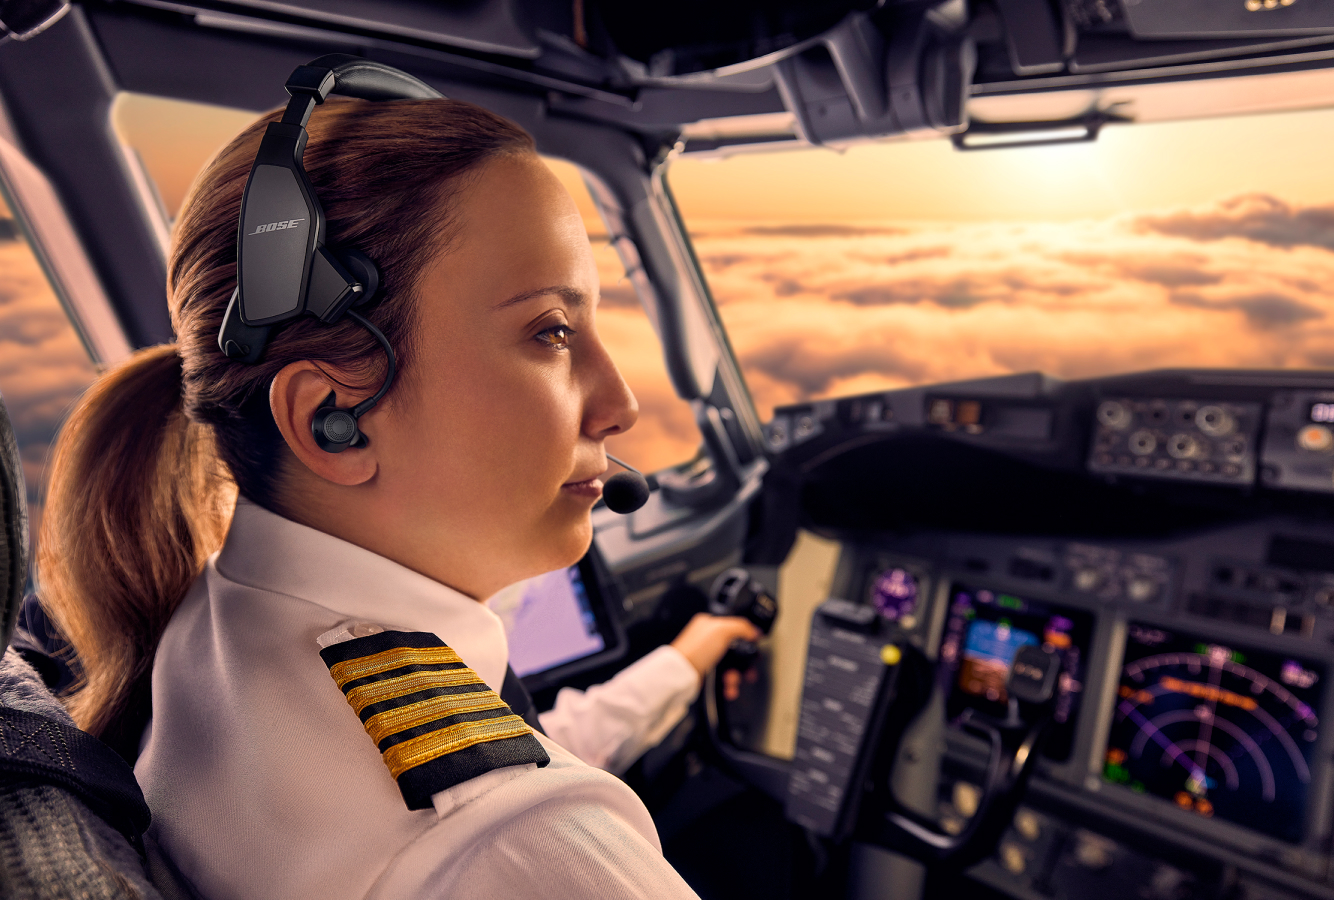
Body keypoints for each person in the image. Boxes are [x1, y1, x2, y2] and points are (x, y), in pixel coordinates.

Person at [35, 92, 754, 899]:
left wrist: (684, 663)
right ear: (333, 418)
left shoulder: (221, 623)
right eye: (550, 331)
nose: (619, 402)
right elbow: (489, 801)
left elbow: (506, 739)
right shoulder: (516, 846)